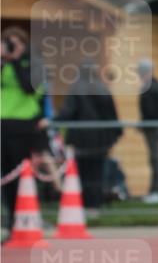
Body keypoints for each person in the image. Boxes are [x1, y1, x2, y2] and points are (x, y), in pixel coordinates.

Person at [53, 65, 121, 216]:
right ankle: (95, 206)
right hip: (100, 140)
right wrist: (116, 134)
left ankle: (82, 205)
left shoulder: (76, 89)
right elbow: (112, 115)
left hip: (80, 140)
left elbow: (67, 112)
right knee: (97, 173)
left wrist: (53, 121)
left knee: (82, 173)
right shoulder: (103, 89)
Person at [1, 27, 47, 230]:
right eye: (7, 42)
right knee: (8, 178)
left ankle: (27, 220)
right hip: (3, 125)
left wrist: (18, 59)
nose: (10, 47)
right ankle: (12, 221)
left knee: (23, 178)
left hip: (24, 127)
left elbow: (29, 88)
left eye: (14, 43)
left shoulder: (32, 64)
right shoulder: (4, 64)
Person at [137, 59, 158, 203]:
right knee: (154, 159)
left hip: (154, 129)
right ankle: (154, 191)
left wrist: (144, 124)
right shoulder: (155, 85)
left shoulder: (150, 87)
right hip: (156, 127)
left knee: (156, 159)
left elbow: (151, 111)